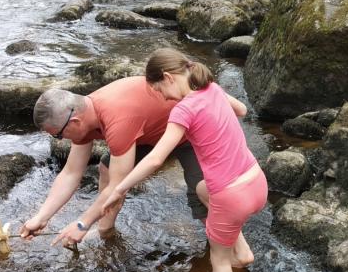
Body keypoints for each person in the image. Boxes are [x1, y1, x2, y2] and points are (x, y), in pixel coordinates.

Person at [102, 48, 268, 272]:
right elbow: (241, 109)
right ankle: (242, 250)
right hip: (257, 183)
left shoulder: (183, 110)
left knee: (219, 262)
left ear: (168, 77)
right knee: (201, 189)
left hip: (231, 196)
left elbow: (155, 159)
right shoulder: (213, 88)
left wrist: (118, 189)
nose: (164, 97)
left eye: (160, 90)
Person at [20, 76, 210, 245]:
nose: (62, 140)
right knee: (107, 168)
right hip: (153, 132)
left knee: (202, 193)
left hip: (191, 129)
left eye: (59, 136)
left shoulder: (117, 119)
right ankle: (105, 230)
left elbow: (118, 188)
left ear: (75, 122)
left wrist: (82, 223)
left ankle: (230, 252)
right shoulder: (83, 114)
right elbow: (71, 172)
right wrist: (41, 217)